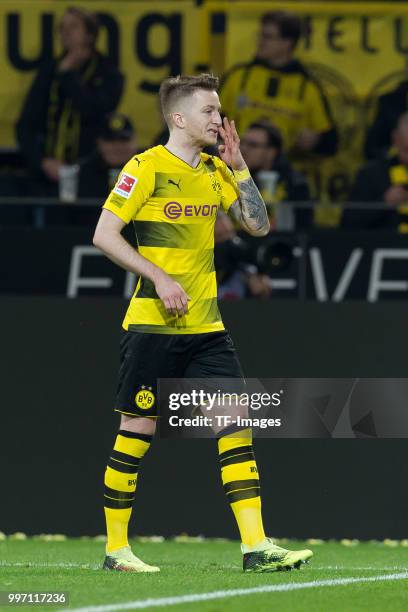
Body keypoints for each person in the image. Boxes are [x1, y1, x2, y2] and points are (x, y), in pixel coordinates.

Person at [93, 73, 313, 573]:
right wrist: (160, 277)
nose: (219, 119)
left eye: (218, 110)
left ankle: (256, 547)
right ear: (178, 118)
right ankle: (117, 551)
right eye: (210, 111)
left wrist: (240, 169)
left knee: (236, 425)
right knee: (136, 431)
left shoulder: (217, 171)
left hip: (206, 329)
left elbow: (258, 226)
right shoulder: (145, 167)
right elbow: (104, 235)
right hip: (151, 325)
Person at [16, 7, 124, 197]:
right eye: (62, 28)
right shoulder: (49, 72)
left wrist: (68, 75)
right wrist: (43, 161)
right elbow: (26, 124)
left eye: (73, 27)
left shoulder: (109, 74)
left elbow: (92, 110)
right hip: (48, 175)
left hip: (91, 177)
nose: (66, 32)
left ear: (90, 35)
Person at [220, 11, 337, 160]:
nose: (260, 42)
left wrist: (316, 142)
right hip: (235, 166)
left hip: (282, 173)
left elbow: (330, 142)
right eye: (260, 35)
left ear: (287, 43)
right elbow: (211, 120)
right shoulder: (239, 77)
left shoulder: (307, 88)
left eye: (268, 37)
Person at [344, 112, 408, 231]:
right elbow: (348, 222)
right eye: (407, 150)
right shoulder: (371, 175)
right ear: (395, 139)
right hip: (385, 245)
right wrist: (384, 202)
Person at [240, 122, 311, 227]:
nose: (244, 149)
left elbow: (303, 227)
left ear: (271, 152)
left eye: (253, 145)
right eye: (242, 143)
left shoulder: (295, 184)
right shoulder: (232, 177)